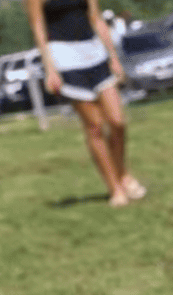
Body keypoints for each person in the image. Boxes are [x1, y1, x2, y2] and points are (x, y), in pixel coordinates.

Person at [26, 0, 146, 207]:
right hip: (64, 56)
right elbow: (38, 27)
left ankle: (123, 173)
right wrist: (50, 69)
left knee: (118, 122)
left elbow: (96, 18)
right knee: (95, 126)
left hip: (94, 51)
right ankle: (115, 188)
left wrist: (114, 57)